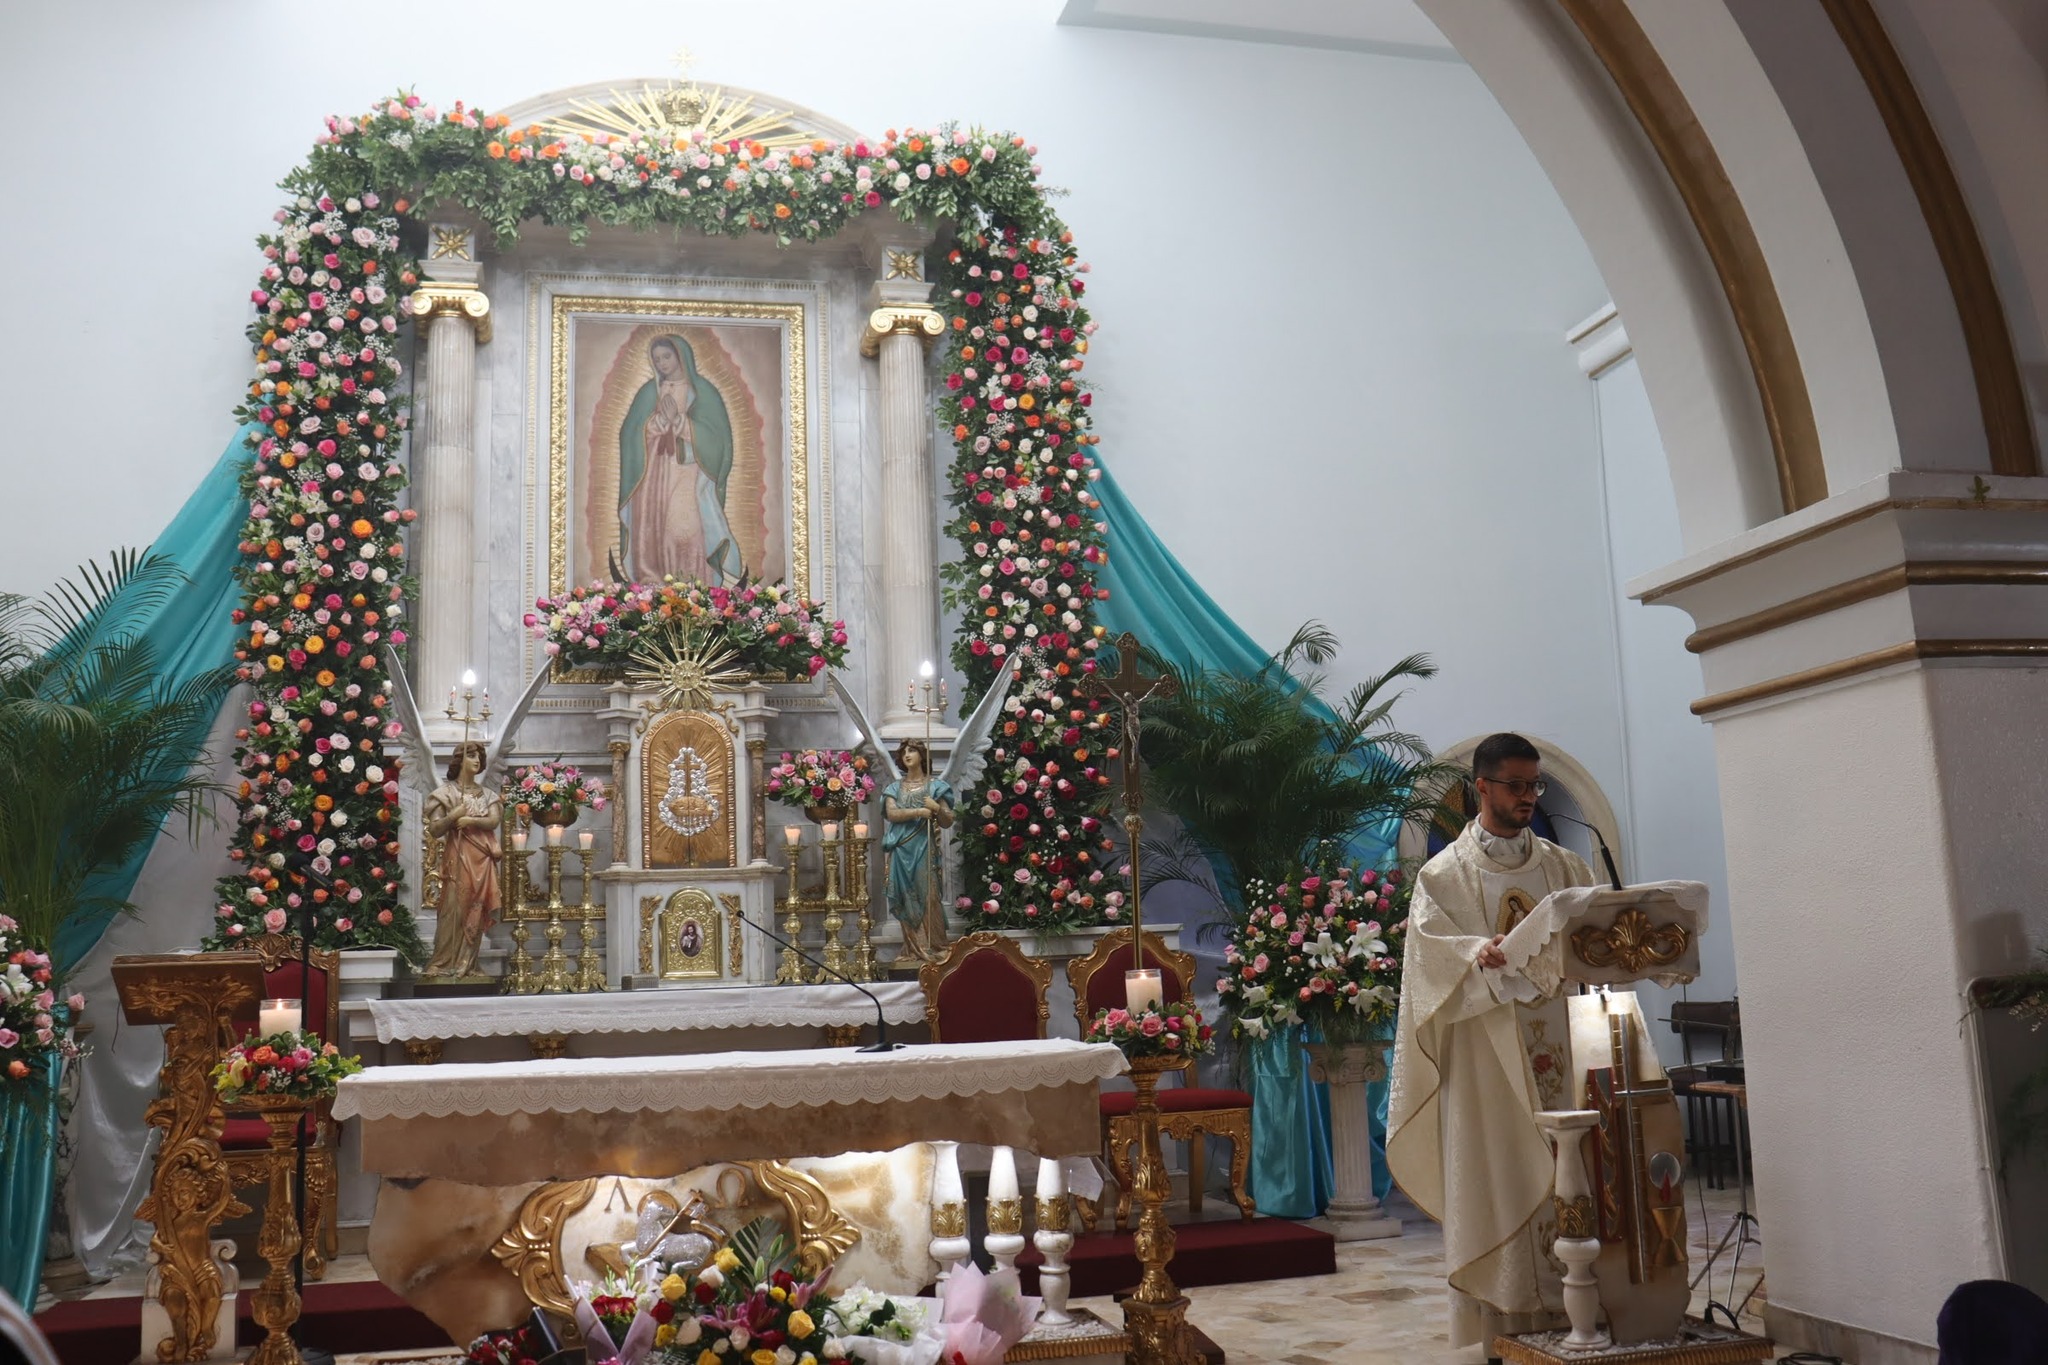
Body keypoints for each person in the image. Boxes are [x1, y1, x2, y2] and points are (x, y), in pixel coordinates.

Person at [1387, 732, 1598, 1354]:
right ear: (1481, 787)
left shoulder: (1566, 868)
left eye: (1535, 785)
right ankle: (1505, 1328)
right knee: (1498, 1172)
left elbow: (1592, 939)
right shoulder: (1443, 876)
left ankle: (1579, 1311)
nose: (1529, 796)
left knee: (1573, 1173)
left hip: (1565, 1047)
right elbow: (1427, 961)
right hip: (1488, 1063)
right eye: (1516, 785)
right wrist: (1475, 954)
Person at [618, 333, 745, 585]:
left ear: (680, 355)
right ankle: (655, 587)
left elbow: (717, 439)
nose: (662, 363)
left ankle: (694, 586)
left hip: (687, 471)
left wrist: (680, 421)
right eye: (657, 359)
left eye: (667, 356)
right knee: (653, 529)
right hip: (652, 475)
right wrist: (658, 422)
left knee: (683, 529)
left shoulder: (703, 392)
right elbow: (630, 433)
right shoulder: (649, 392)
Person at [422, 740, 504, 979]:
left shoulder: (488, 795)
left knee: (475, 908)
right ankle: (442, 962)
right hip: (457, 855)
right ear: (459, 760)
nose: (477, 761)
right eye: (471, 756)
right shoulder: (445, 794)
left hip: (481, 859)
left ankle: (468, 964)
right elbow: (435, 829)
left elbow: (494, 821)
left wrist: (470, 820)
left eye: (479, 757)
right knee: (453, 908)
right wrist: (452, 817)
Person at [882, 738, 956, 962]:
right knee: (906, 896)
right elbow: (892, 814)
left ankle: (937, 945)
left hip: (923, 847)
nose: (907, 754)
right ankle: (913, 949)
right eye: (904, 751)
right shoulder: (894, 788)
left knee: (929, 895)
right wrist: (919, 812)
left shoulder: (935, 787)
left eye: (912, 750)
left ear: (922, 755)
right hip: (901, 849)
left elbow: (948, 820)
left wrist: (936, 808)